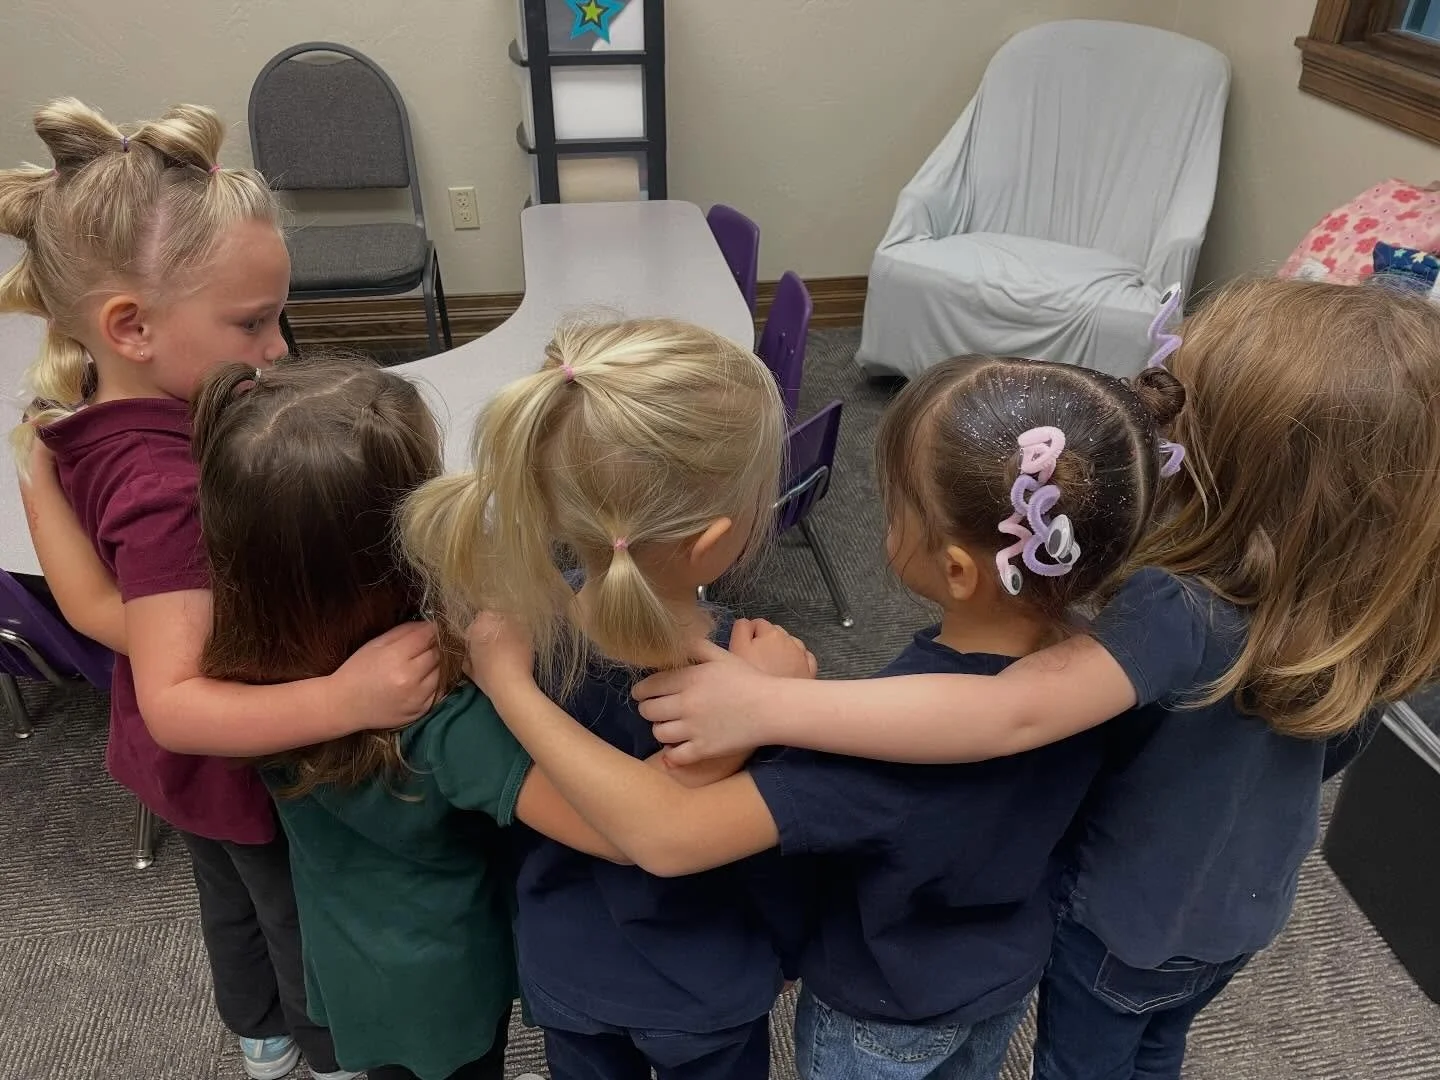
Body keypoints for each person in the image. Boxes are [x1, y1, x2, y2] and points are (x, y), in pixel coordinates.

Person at [631, 278, 1440, 1078]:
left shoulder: (1175, 611)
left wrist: (772, 703)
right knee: (1158, 1047)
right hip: (1240, 915)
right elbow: (1326, 757)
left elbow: (1005, 712)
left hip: (1122, 929)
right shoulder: (1372, 610)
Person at [464, 353, 1183, 1080]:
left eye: (893, 506)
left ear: (957, 570)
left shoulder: (859, 747)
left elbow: (673, 833)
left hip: (868, 1006)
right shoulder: (1112, 671)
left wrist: (509, 681)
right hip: (999, 973)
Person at [1, 99, 436, 1080]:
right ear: (131, 326)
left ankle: (261, 1039)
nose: (279, 349)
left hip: (174, 771)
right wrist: (349, 697)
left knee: (231, 903)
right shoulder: (172, 493)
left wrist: (37, 478)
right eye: (252, 323)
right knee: (298, 918)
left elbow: (97, 612)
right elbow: (182, 700)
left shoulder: (82, 416)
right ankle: (331, 1056)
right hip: (240, 758)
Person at [188, 355, 635, 1080]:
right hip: (445, 983)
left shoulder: (243, 672)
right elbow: (620, 832)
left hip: (349, 959)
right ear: (398, 542)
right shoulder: (444, 719)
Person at [403, 319, 805, 1080]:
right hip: (710, 987)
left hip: (567, 973)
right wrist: (789, 949)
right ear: (711, 541)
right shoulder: (763, 683)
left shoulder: (516, 648)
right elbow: (784, 850)